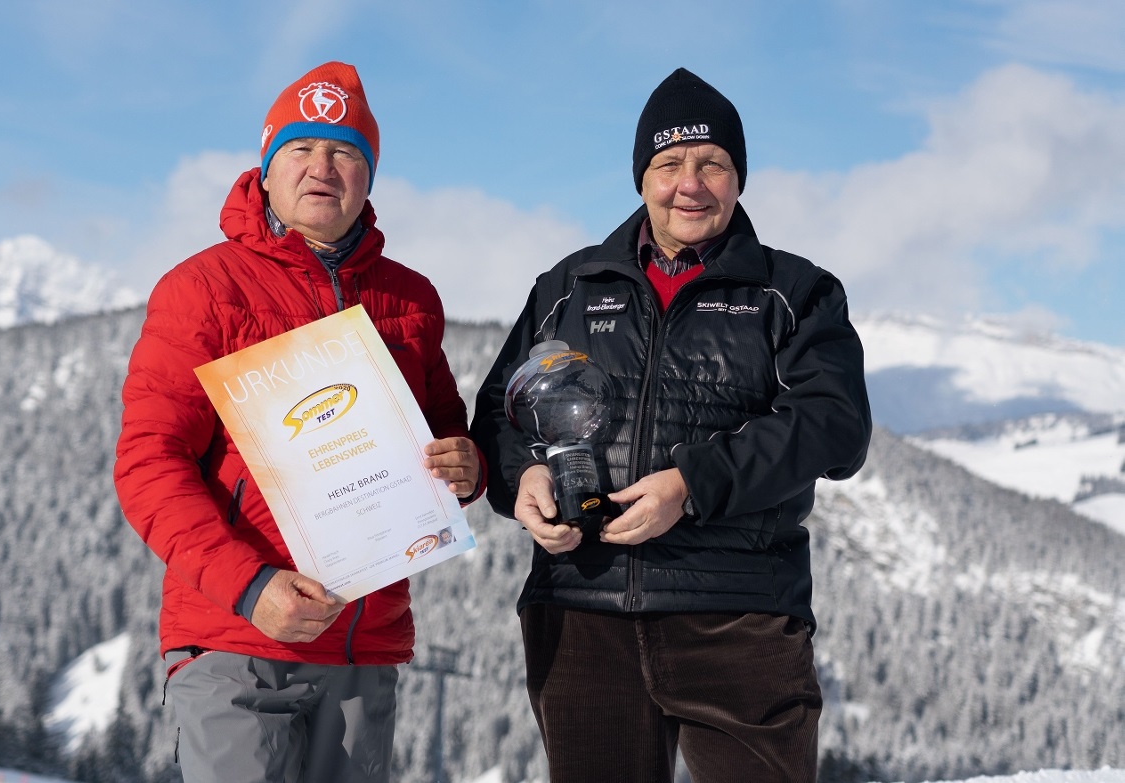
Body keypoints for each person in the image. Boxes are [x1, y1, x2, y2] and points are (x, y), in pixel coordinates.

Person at [471, 67, 871, 783]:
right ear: (641, 178)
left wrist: (692, 483)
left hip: (738, 616)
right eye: (669, 164)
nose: (691, 182)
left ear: (739, 177)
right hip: (580, 609)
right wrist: (520, 477)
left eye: (712, 163)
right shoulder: (568, 287)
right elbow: (502, 412)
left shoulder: (794, 291)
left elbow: (836, 425)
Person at [114, 61, 482, 783]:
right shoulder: (202, 289)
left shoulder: (410, 300)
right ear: (267, 166)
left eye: (346, 151)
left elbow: (448, 442)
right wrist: (251, 587)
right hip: (236, 639)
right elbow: (148, 465)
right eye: (301, 148)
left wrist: (469, 466)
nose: (323, 167)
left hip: (361, 647)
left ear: (369, 176)